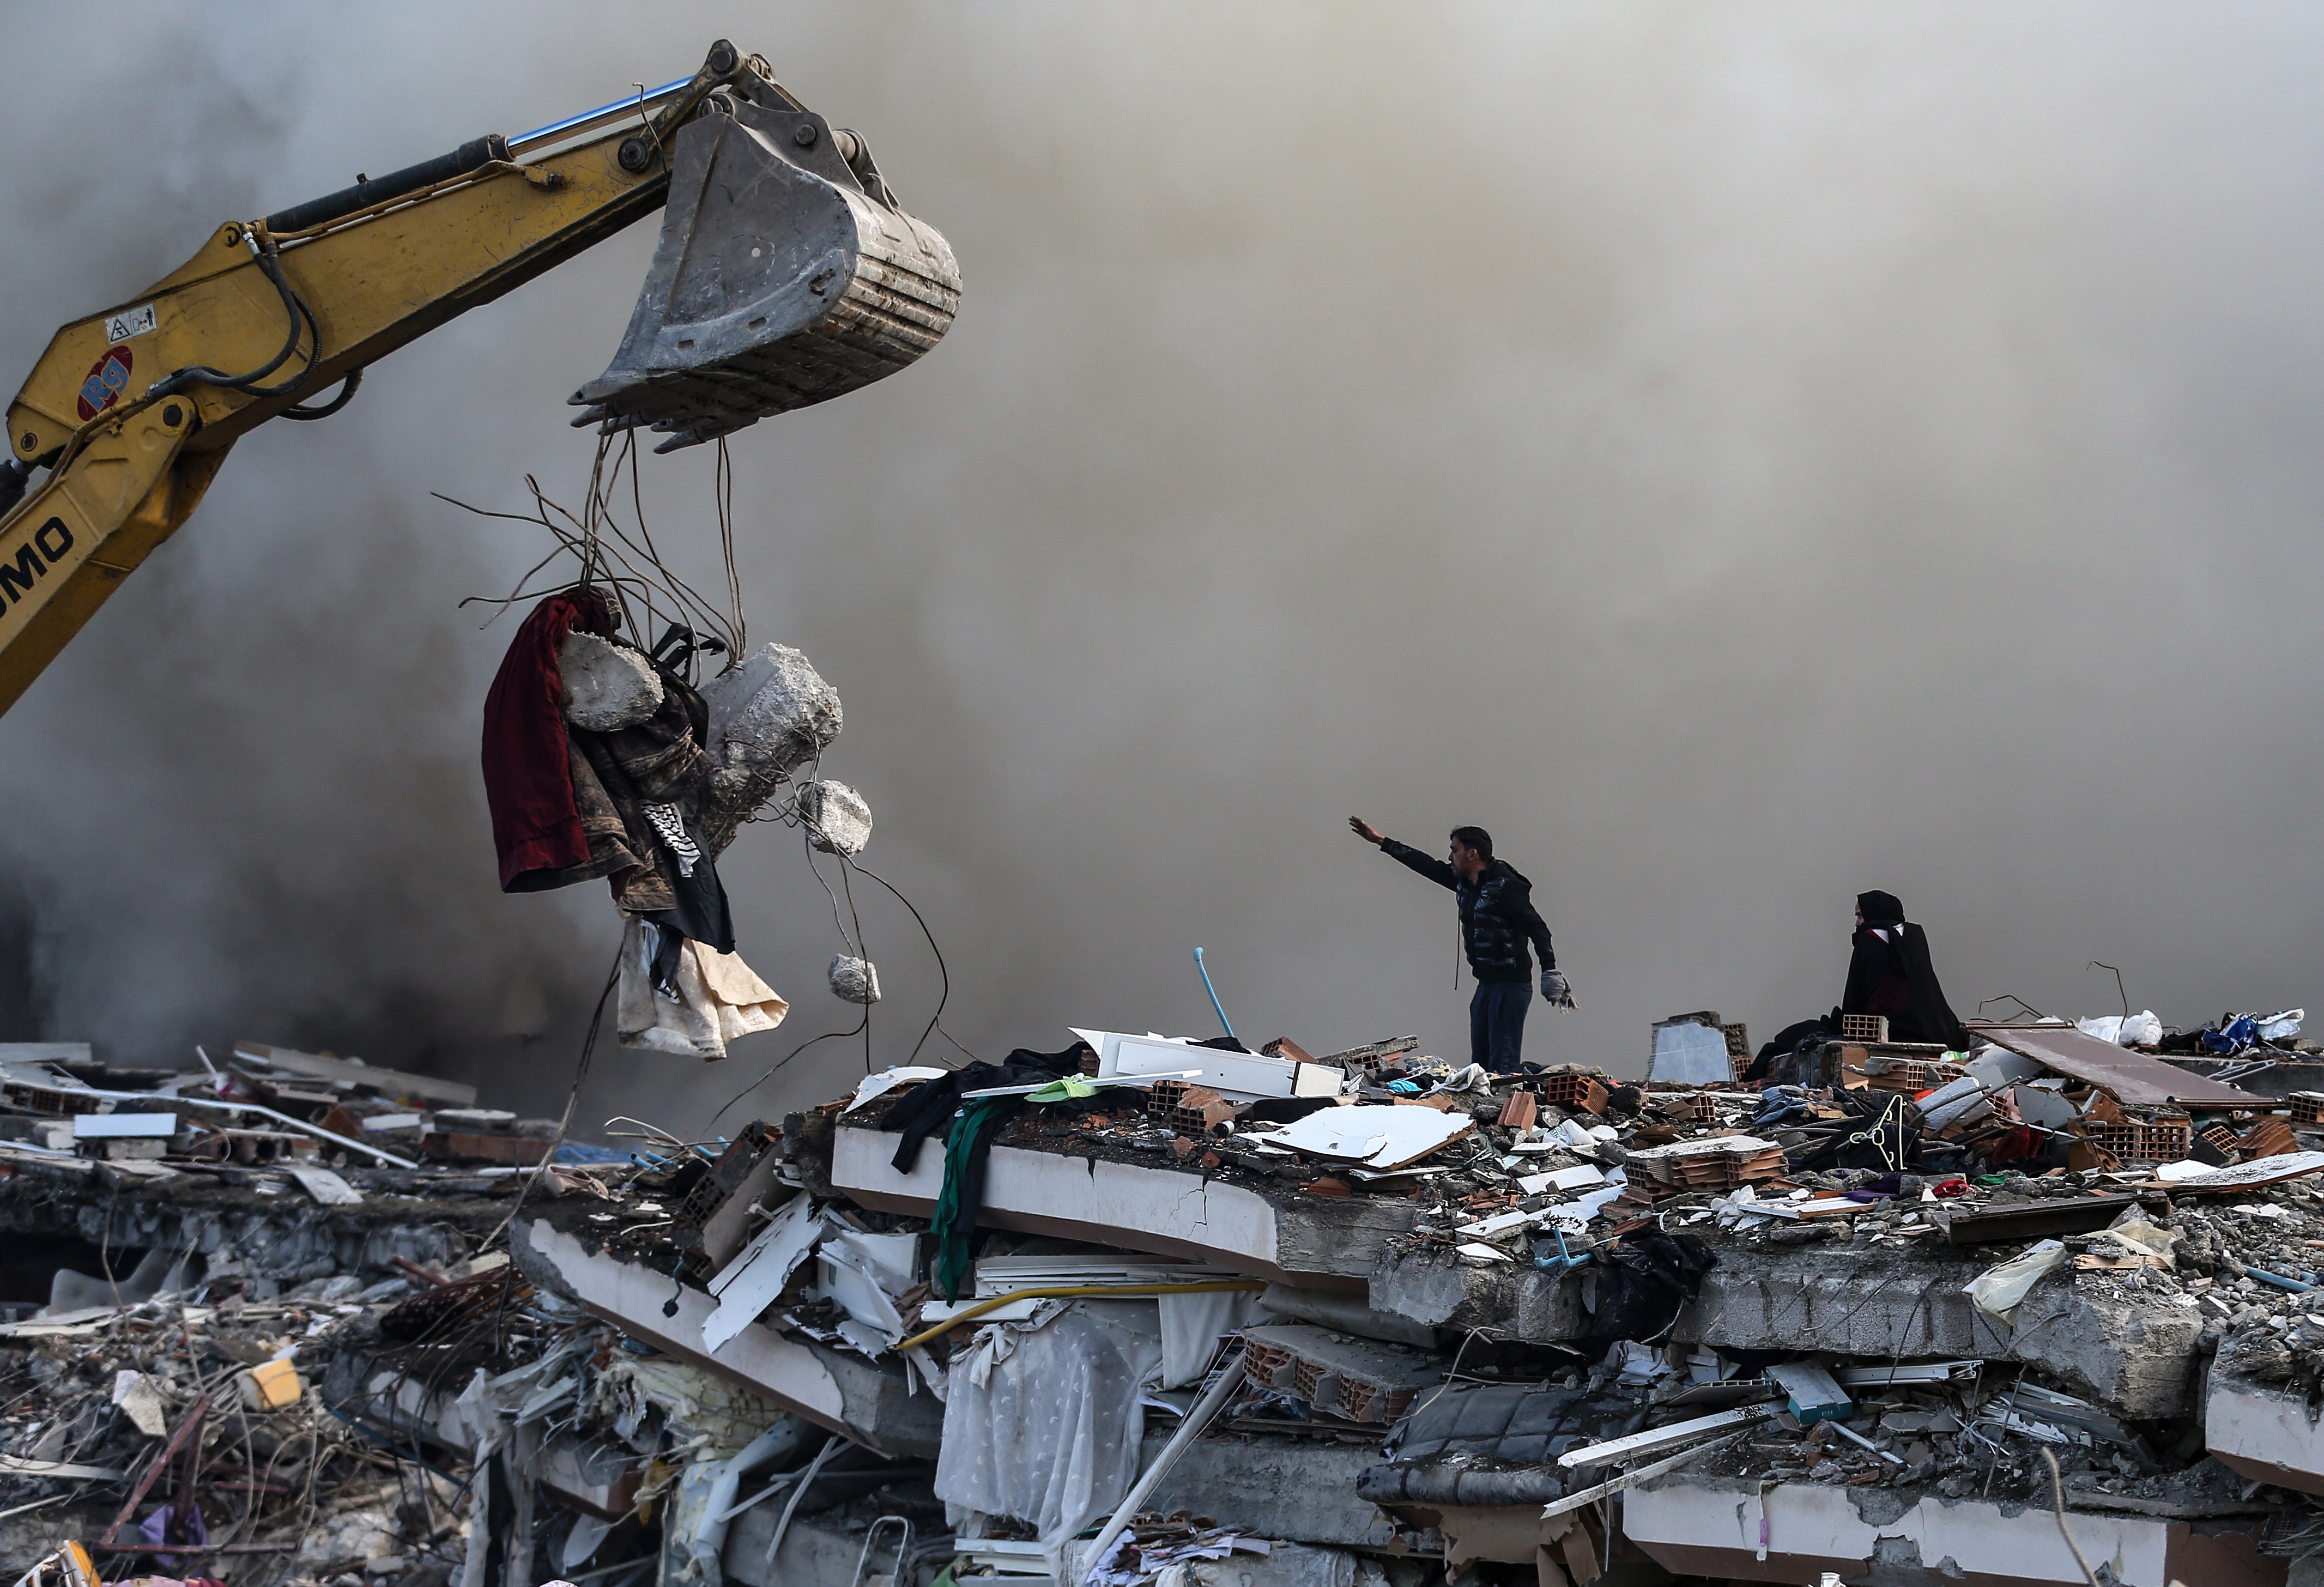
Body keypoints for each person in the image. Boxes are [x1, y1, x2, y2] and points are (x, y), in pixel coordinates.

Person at [1348, 817, 1571, 1073]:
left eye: (1455, 850)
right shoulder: (1464, 883)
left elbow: (1537, 928)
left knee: (1503, 1064)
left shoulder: (1505, 887)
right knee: (1481, 1065)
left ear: (1472, 854)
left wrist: (1550, 970)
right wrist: (1381, 841)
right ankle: (1486, 1108)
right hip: (1486, 984)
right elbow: (1426, 865)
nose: (1450, 856)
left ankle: (1509, 1110)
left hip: (1511, 986)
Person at [1747, 888, 1968, 1079]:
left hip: (1882, 1031)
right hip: (1937, 1029)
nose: (1857, 922)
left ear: (1873, 914)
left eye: (1860, 915)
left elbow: (1854, 996)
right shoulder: (1915, 936)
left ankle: (1752, 1077)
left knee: (1792, 1037)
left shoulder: (1868, 942)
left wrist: (1845, 1026)